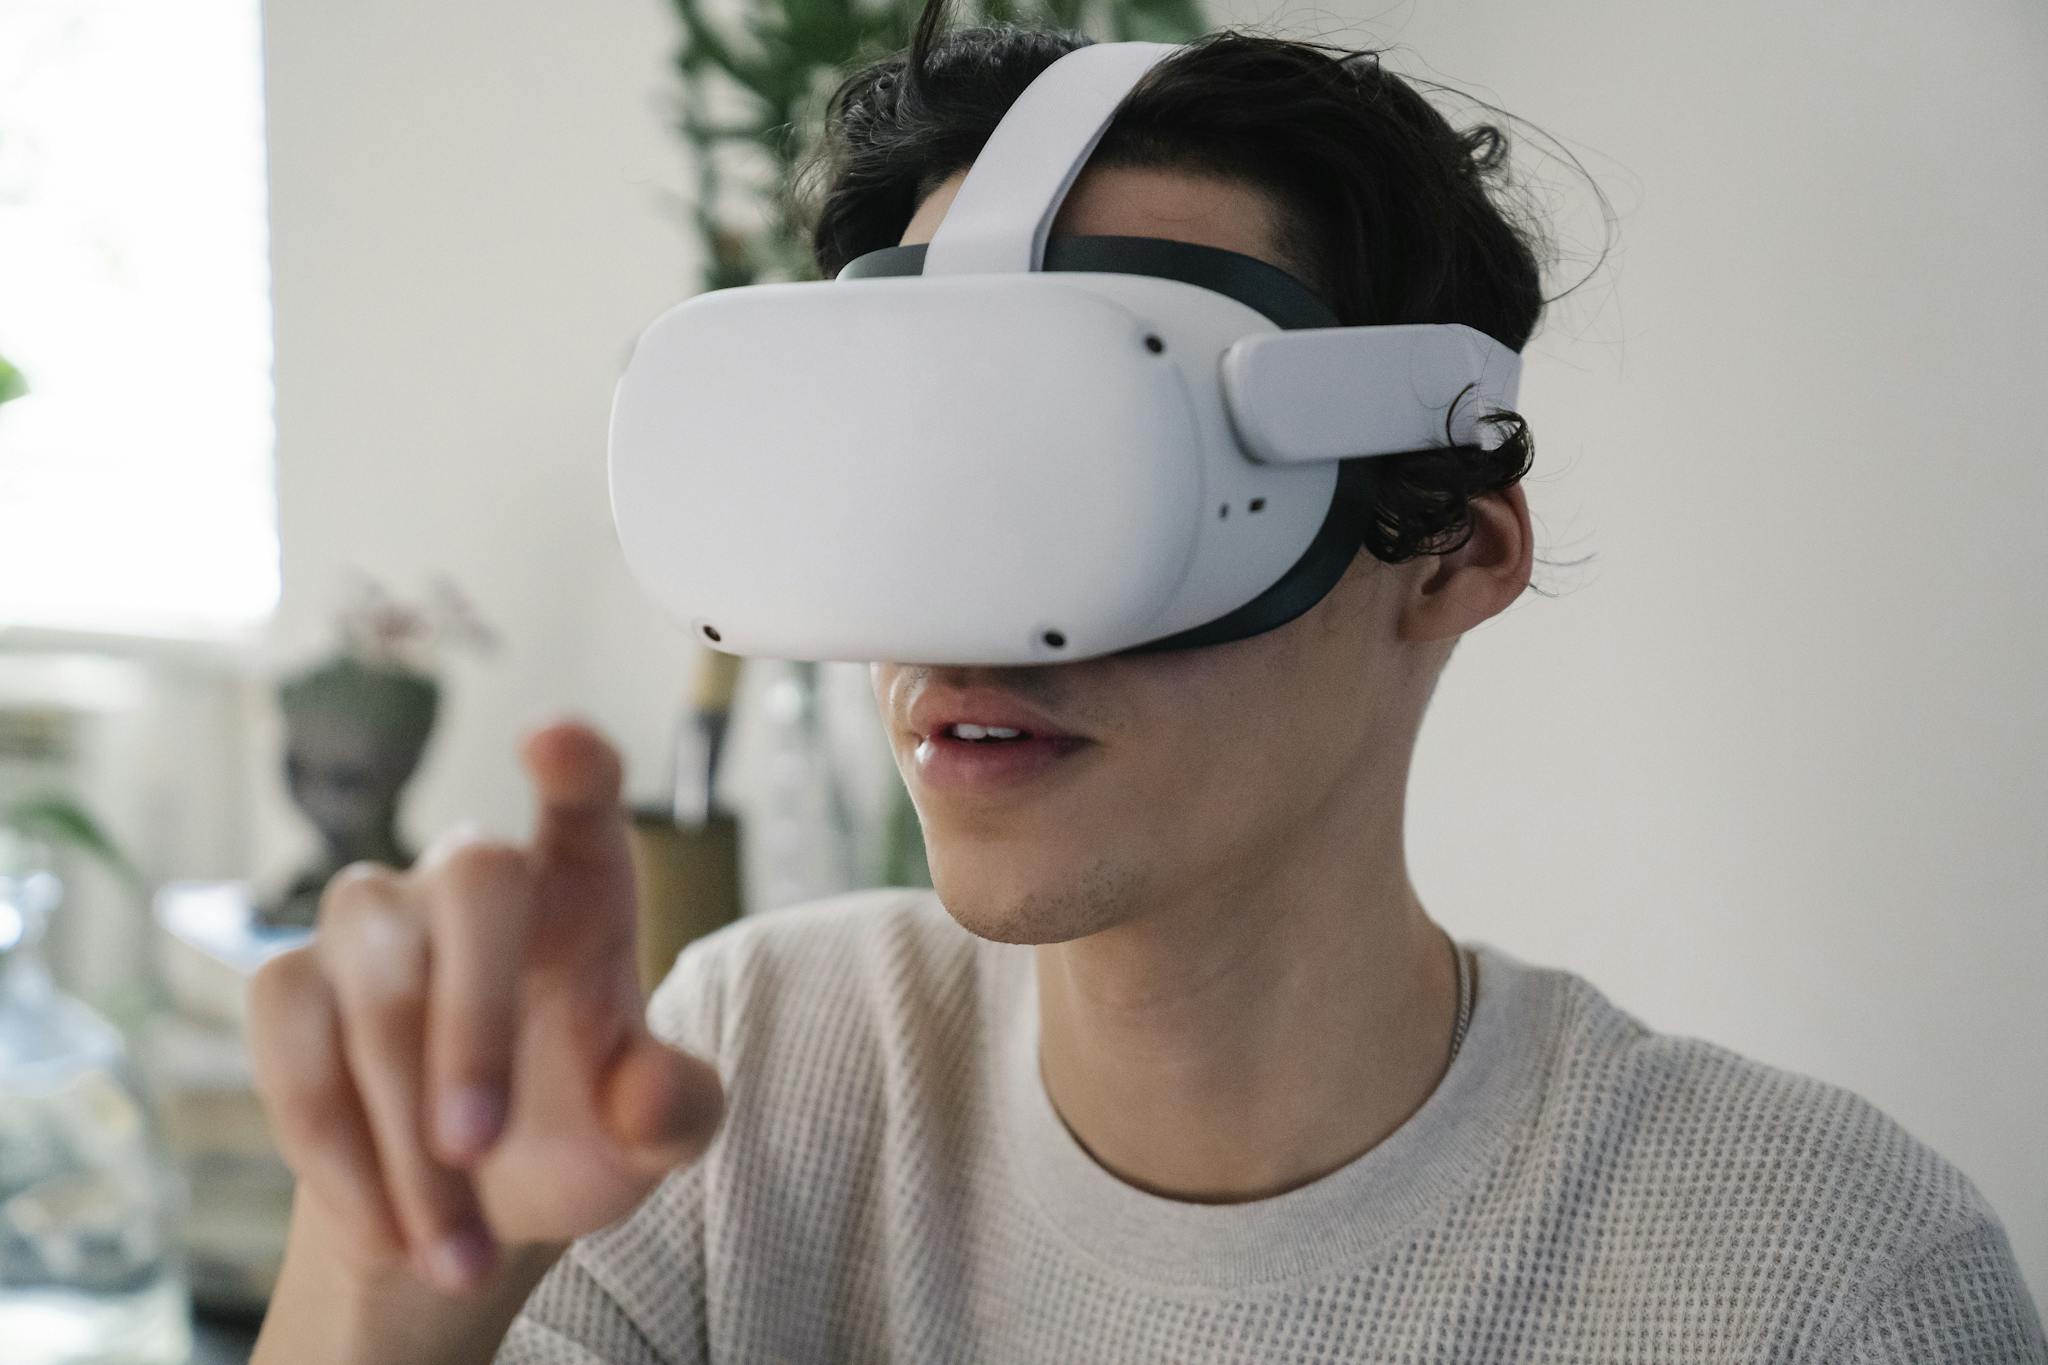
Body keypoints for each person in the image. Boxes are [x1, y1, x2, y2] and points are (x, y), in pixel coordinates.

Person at [246, 9, 2047, 1364]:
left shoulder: (1811, 1280)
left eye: (1089, 474)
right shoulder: (756, 1073)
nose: (963, 617)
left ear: (1451, 553)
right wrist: (385, 1283)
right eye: (909, 479)